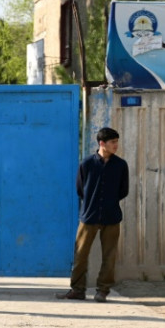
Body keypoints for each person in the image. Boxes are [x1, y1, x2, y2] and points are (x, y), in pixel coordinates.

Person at [56, 127, 129, 303]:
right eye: (113, 142)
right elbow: (80, 189)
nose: (116, 145)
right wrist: (93, 203)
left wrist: (109, 202)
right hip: (89, 216)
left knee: (109, 256)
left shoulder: (120, 165)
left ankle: (102, 290)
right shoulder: (87, 164)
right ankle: (78, 289)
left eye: (117, 142)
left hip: (111, 217)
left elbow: (123, 190)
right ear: (101, 143)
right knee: (80, 254)